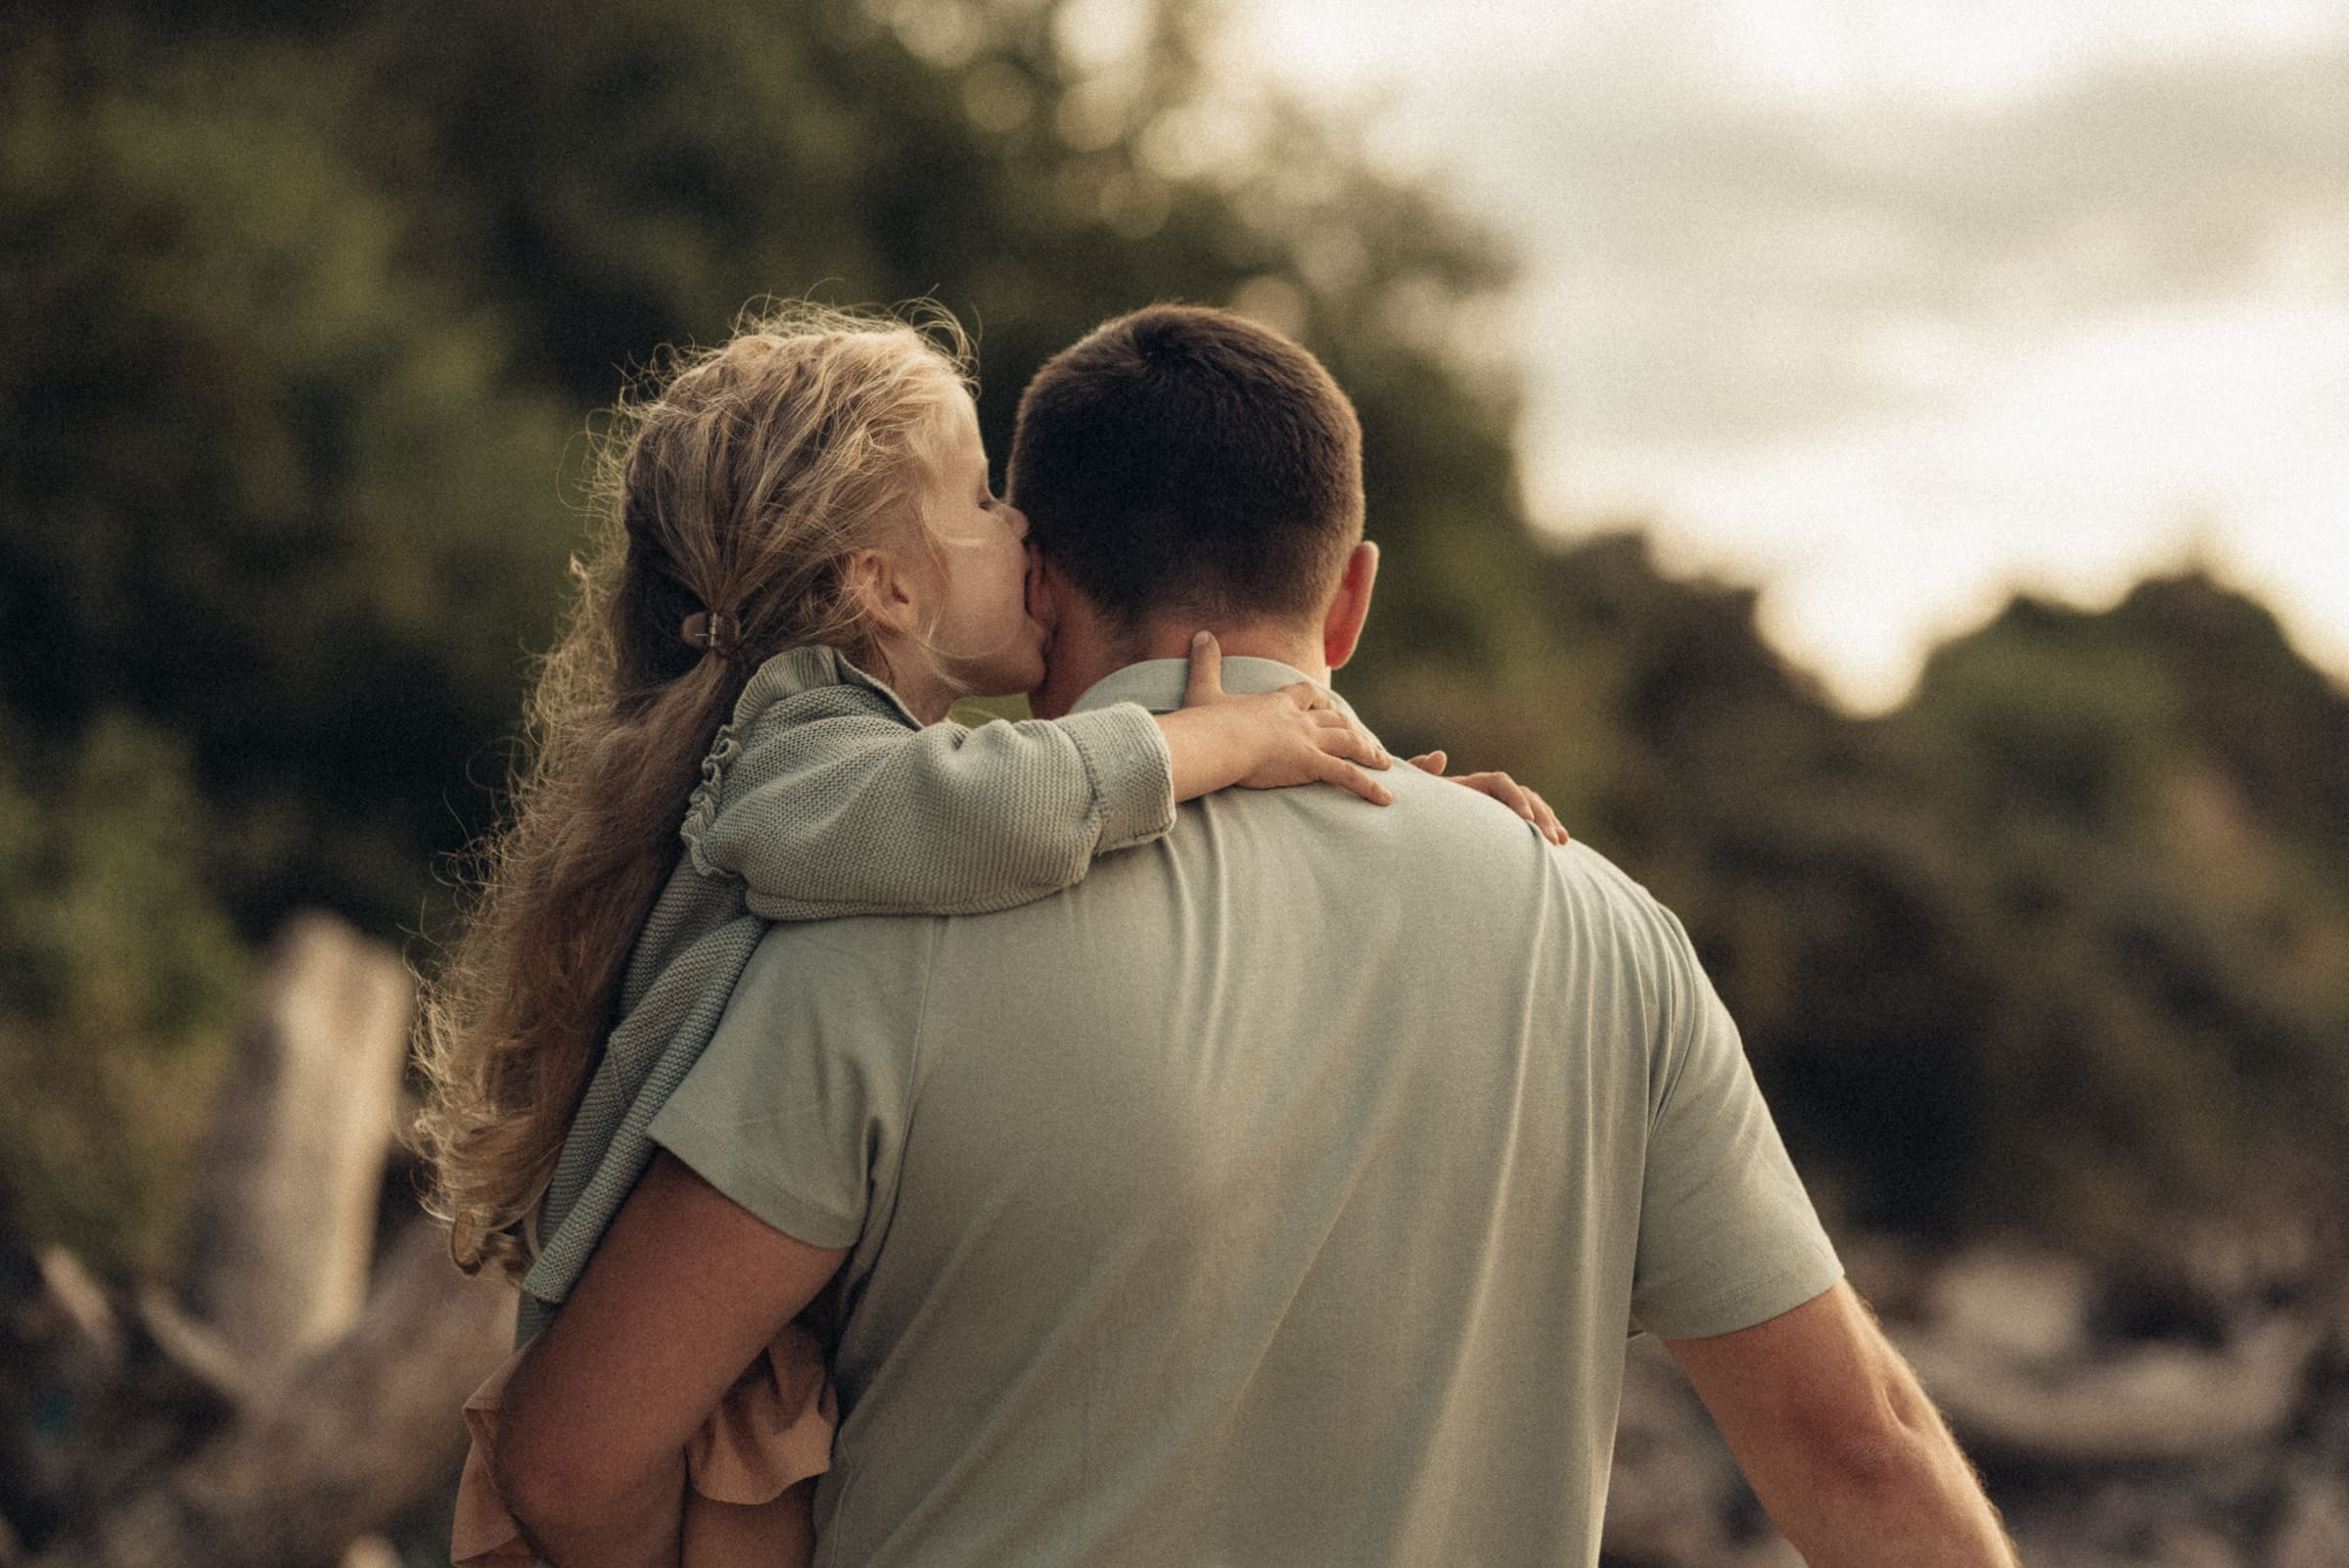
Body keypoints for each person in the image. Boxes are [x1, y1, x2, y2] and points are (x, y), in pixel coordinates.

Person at [487, 305, 2017, 1568]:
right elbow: (1861, 1454)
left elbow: (568, 1465)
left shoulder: (873, 936)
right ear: (1349, 600)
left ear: (1041, 577)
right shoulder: (1604, 937)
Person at [415, 304, 1562, 1568]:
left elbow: (1006, 814)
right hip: (666, 1403)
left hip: (729, 1379)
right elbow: (985, 808)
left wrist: (1399, 806)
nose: (1025, 525)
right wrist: (1214, 737)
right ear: (886, 583)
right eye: (980, 500)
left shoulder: (861, 772)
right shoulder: (801, 747)